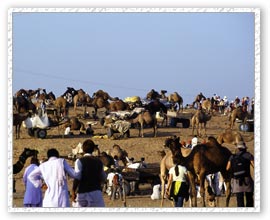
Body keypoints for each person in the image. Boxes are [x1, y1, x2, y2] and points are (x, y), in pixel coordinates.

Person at [72, 139, 107, 207]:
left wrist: (73, 191)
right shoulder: (99, 161)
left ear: (82, 149)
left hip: (83, 193)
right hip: (96, 193)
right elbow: (103, 177)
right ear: (94, 149)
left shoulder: (79, 161)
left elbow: (77, 177)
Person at [226, 141, 254, 207]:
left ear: (237, 148)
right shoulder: (248, 155)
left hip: (236, 180)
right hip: (247, 179)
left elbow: (227, 168)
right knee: (249, 199)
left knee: (239, 200)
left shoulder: (232, 157)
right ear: (244, 148)